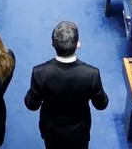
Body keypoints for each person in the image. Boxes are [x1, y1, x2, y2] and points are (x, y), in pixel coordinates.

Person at [24, 21, 108, 149]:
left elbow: (31, 105)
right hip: (80, 133)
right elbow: (101, 104)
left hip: (51, 132)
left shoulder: (39, 73)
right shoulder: (91, 74)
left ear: (52, 44)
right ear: (78, 45)